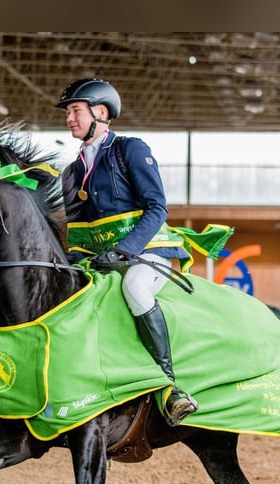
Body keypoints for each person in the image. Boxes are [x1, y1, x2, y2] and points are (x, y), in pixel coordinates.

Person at [56, 78, 197, 426]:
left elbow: (157, 207)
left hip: (148, 252)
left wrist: (125, 250)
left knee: (134, 287)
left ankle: (170, 386)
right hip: (102, 258)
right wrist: (74, 258)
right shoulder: (72, 172)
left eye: (75, 111)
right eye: (68, 113)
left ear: (100, 113)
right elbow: (76, 228)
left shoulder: (130, 149)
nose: (69, 119)